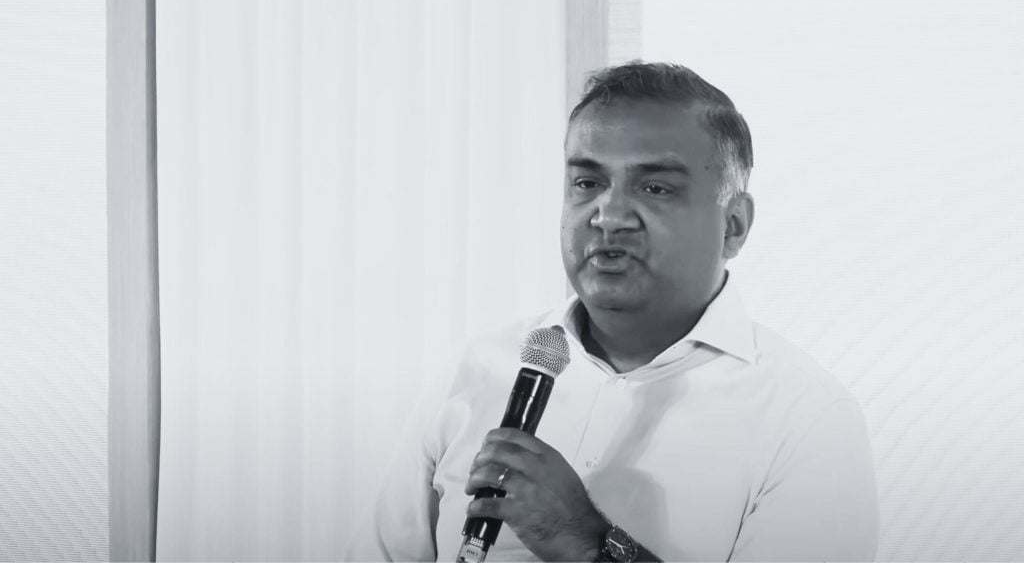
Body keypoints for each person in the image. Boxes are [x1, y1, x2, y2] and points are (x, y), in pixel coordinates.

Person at [346, 62, 879, 562]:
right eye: (587, 183)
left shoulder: (808, 418)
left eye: (655, 187)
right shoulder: (476, 370)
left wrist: (583, 540)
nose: (608, 215)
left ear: (734, 225)